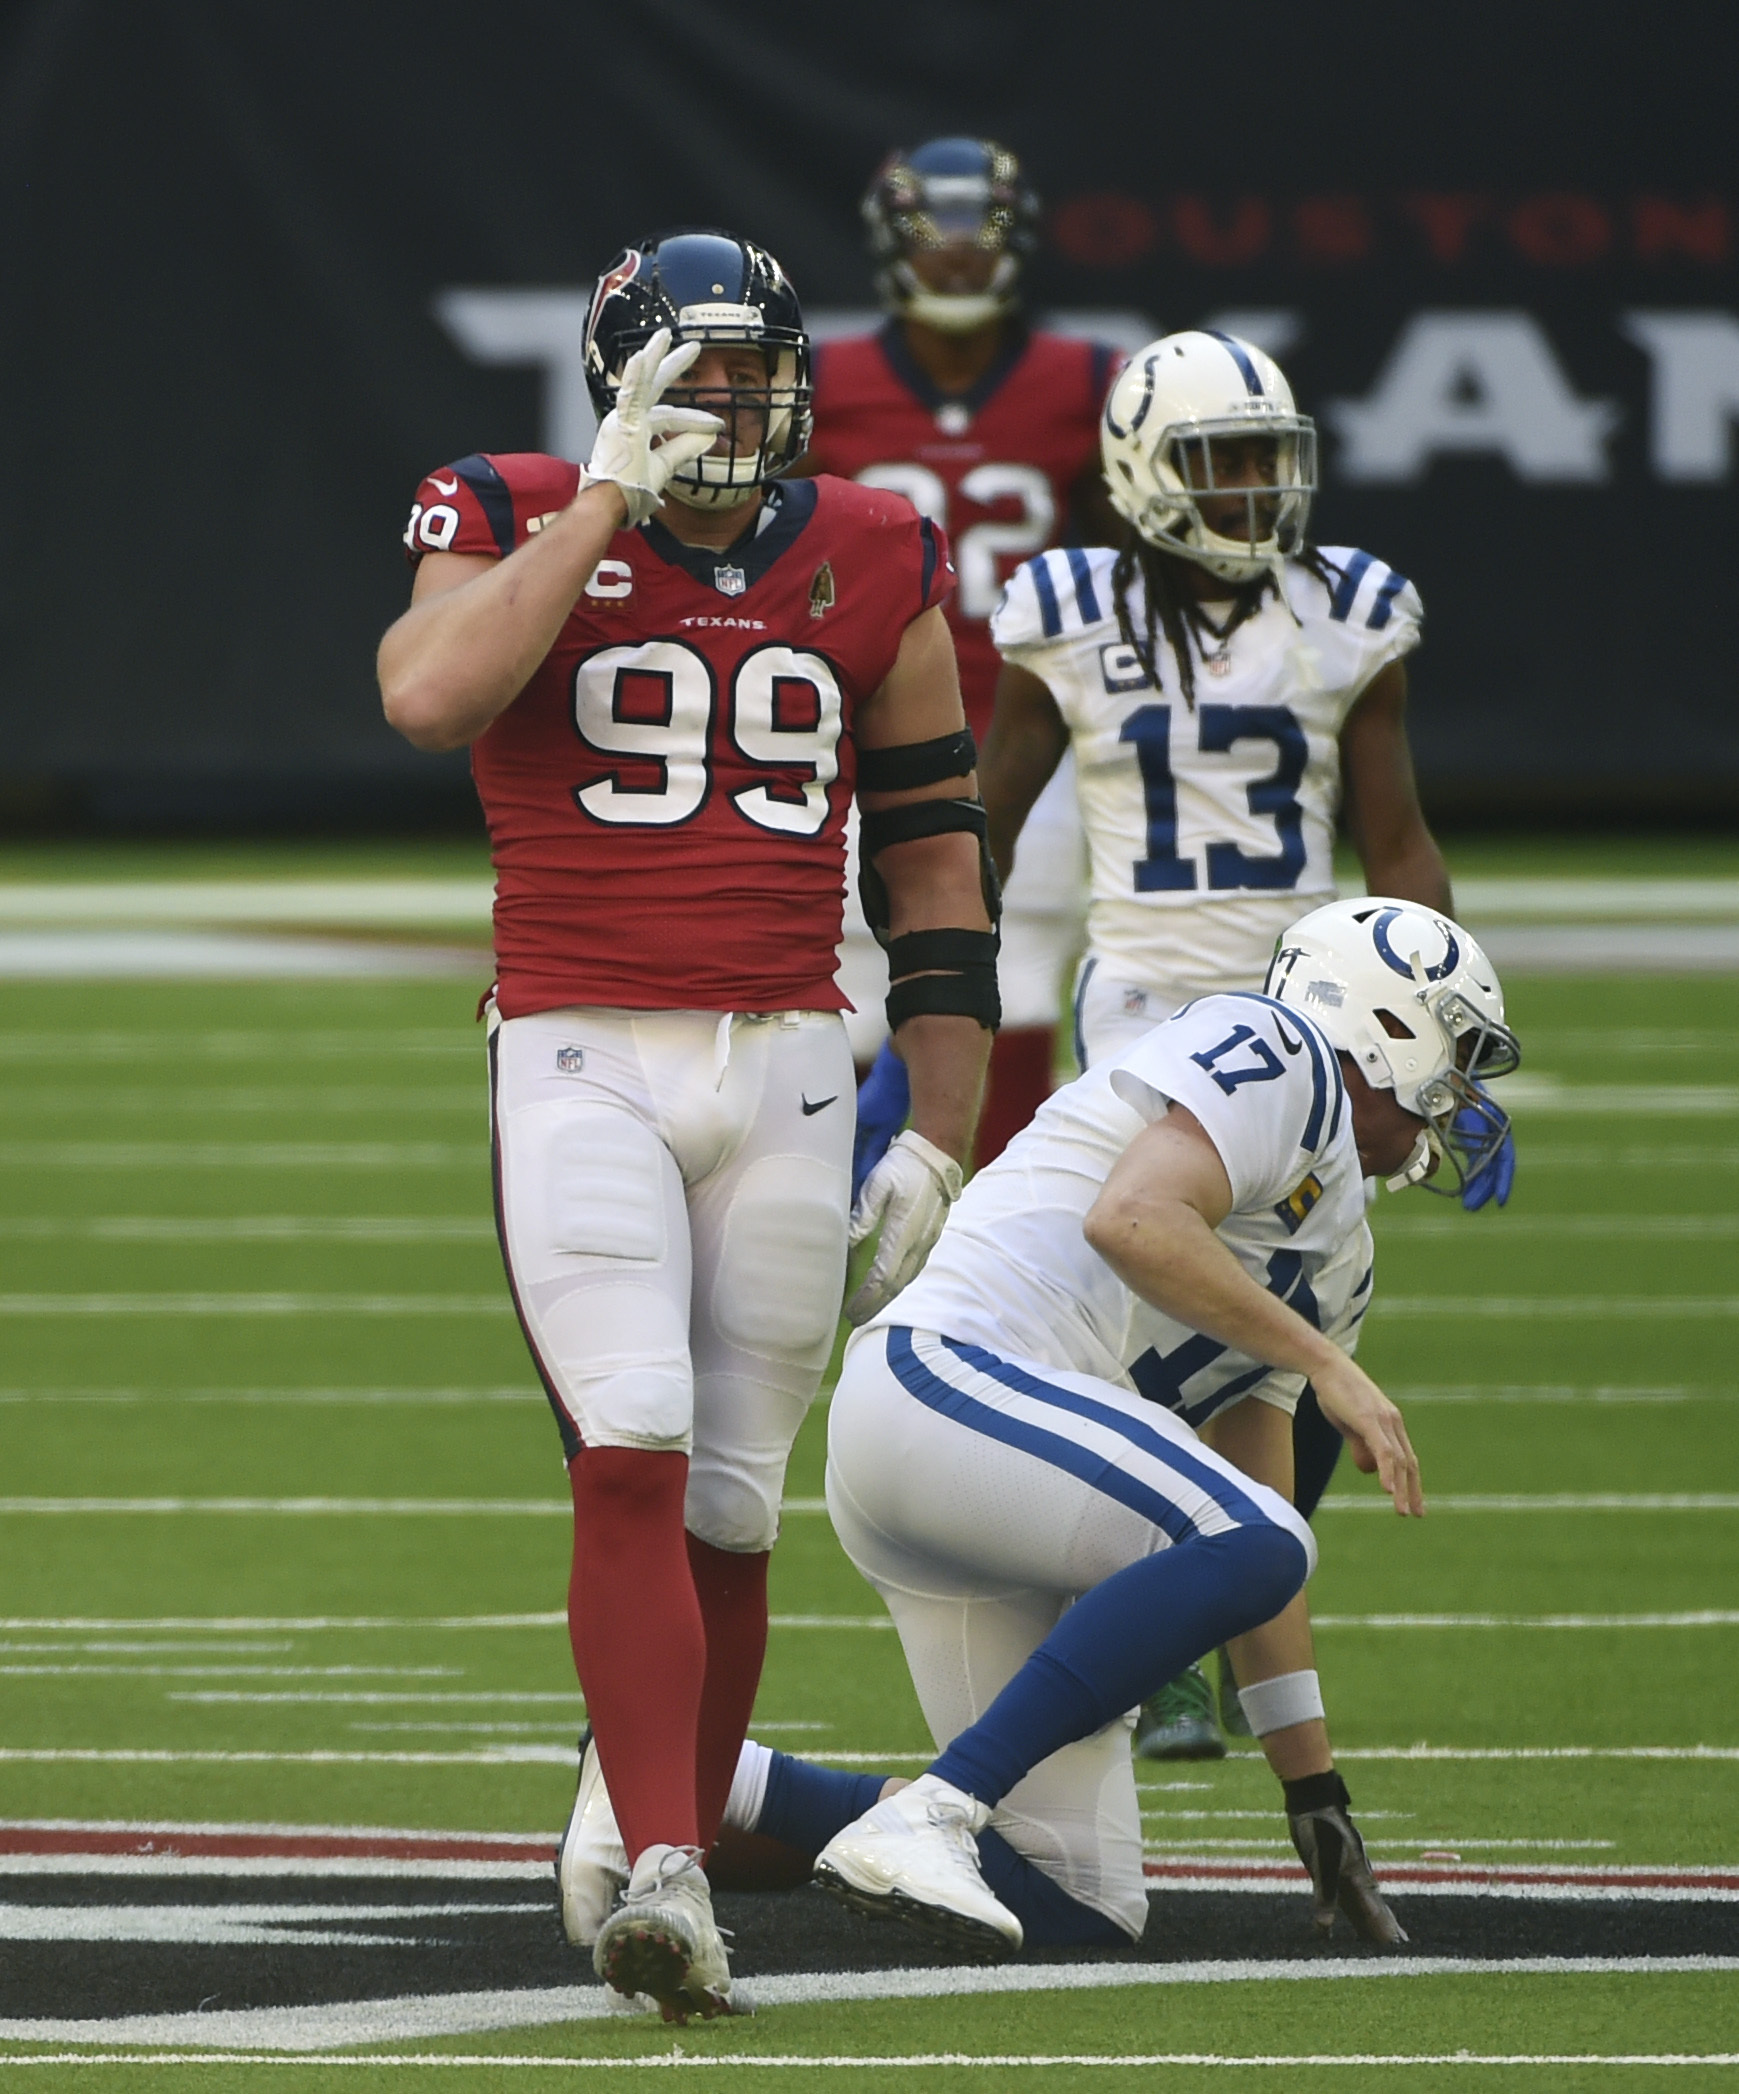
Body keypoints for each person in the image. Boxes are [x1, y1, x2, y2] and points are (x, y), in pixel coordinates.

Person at [377, 229, 1000, 2021]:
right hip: (576, 1040)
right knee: (632, 1442)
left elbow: (934, 848)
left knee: (731, 1500)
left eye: (757, 368)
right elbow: (427, 698)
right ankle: (666, 1860)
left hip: (794, 1051)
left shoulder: (873, 546)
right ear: (619, 375)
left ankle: (651, 1823)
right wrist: (593, 511)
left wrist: (938, 1122)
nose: (733, 402)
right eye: (696, 369)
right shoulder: (499, 503)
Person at [563, 899, 1519, 1954]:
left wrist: (1313, 1792)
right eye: (1457, 1048)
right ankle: (934, 1810)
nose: (1462, 1091)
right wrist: (1329, 1367)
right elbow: (1134, 1219)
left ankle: (682, 1776)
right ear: (1382, 1025)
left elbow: (1257, 1526)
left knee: (1080, 1910)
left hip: (986, 1482)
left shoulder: (1337, 1250)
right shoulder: (1277, 1051)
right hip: (948, 1383)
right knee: (1253, 1536)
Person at [976, 326, 1513, 1757]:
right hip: (1145, 1014)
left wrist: (1435, 1004)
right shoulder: (1068, 610)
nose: (1246, 495)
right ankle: (1154, 1623)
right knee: (1140, 1335)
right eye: (1216, 467)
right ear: (1140, 472)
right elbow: (985, 809)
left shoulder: (1347, 614)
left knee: (1302, 1340)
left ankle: (1203, 1602)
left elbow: (1393, 839)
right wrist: (931, 965)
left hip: (1314, 1017)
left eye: (1265, 465)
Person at [805, 137, 1124, 1167]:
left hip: (1028, 744)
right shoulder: (823, 382)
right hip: (862, 738)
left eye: (979, 229)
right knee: (841, 992)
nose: (955, 256)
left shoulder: (1087, 380)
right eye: (930, 233)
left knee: (1018, 978)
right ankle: (833, 1231)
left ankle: (995, 1243)